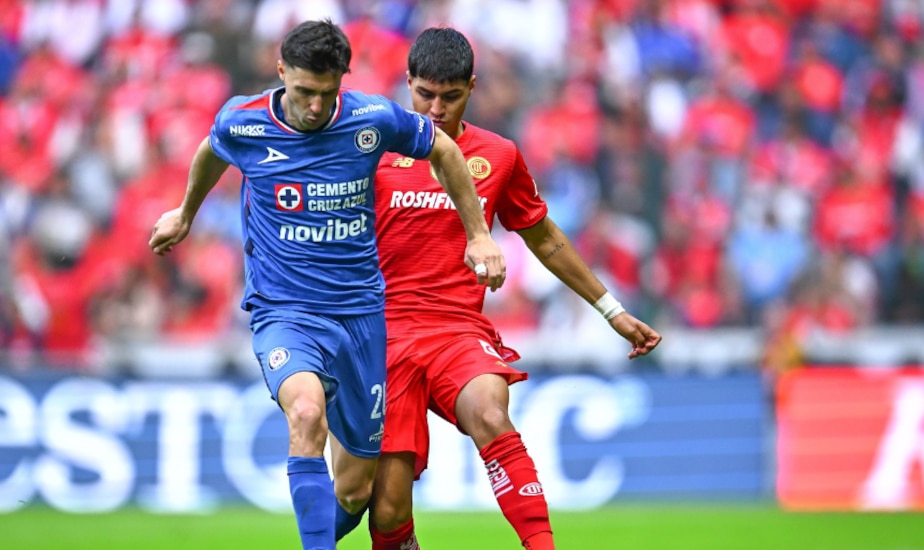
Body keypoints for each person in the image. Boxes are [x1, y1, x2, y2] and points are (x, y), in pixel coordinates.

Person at [147, 20, 506, 550]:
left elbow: (446, 152)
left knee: (357, 492)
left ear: (343, 80)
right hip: (286, 313)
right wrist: (184, 213)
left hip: (360, 318)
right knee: (307, 413)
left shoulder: (372, 119)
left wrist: (477, 234)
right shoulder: (244, 123)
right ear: (281, 73)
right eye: (303, 92)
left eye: (327, 93)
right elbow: (211, 149)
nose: (315, 107)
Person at [365, 28, 663, 550]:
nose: (436, 109)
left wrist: (610, 309)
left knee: (489, 410)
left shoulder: (497, 155)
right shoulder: (372, 150)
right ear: (407, 83)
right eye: (424, 94)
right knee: (387, 512)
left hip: (456, 330)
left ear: (472, 88)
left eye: (451, 96)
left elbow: (544, 238)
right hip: (381, 338)